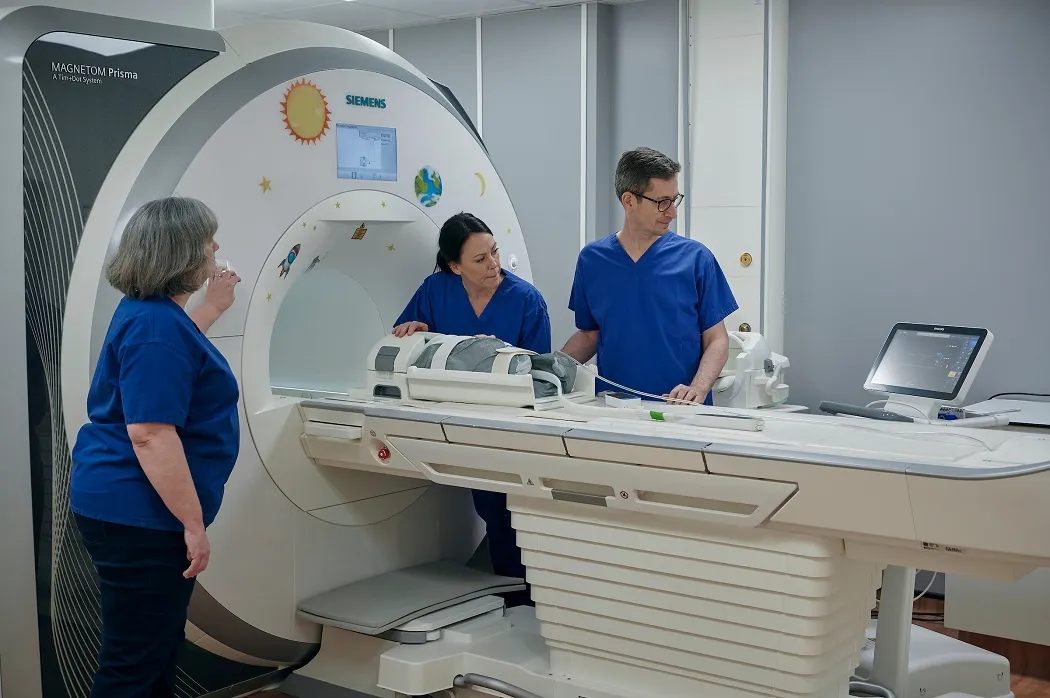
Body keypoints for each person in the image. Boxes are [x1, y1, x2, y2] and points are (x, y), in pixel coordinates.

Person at [69, 197, 242, 698]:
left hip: (129, 505)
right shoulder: (155, 328)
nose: (215, 247)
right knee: (133, 665)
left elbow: (175, 356)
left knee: (156, 649)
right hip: (139, 513)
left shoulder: (152, 314)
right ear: (181, 252)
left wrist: (213, 307)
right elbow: (150, 435)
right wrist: (193, 525)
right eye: (207, 240)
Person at [393, 212, 551, 606]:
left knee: (509, 511)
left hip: (509, 425)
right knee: (492, 511)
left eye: (494, 252)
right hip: (453, 421)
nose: (493, 264)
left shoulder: (526, 300)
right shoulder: (435, 290)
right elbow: (405, 342)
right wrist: (416, 334)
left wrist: (494, 353)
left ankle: (527, 603)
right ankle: (512, 600)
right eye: (480, 259)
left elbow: (542, 376)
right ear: (455, 266)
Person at [562, 146, 738, 406]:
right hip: (614, 408)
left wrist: (698, 388)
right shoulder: (592, 260)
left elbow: (717, 339)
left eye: (674, 200)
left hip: (680, 408)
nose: (672, 212)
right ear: (629, 201)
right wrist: (548, 370)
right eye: (662, 202)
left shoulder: (696, 259)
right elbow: (590, 335)